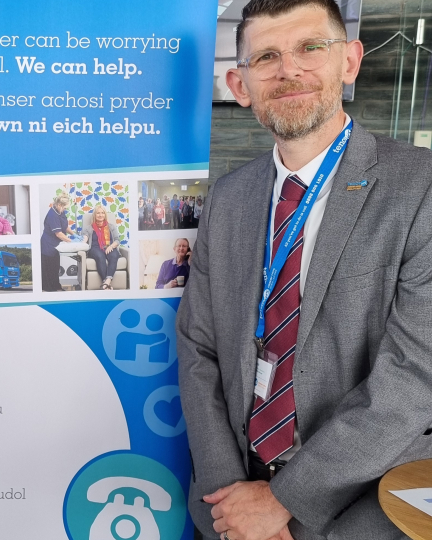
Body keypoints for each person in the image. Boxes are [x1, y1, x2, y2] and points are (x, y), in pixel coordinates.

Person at [177, 1, 432, 539]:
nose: (288, 69)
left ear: (351, 61)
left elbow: (414, 377)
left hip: (362, 507)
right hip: (229, 509)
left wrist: (283, 502)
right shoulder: (227, 196)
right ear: (240, 85)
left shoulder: (421, 187)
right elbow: (198, 349)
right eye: (266, 56)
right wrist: (231, 499)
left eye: (311, 48)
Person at [40, 194, 76, 292]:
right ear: (59, 205)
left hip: (55, 246)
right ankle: (50, 290)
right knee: (50, 269)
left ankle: (57, 287)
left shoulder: (60, 212)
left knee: (55, 268)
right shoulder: (52, 215)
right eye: (65, 207)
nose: (65, 209)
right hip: (47, 246)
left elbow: (64, 226)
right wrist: (71, 241)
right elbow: (59, 234)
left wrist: (74, 234)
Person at [85, 205, 122, 290]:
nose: (100, 215)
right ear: (95, 215)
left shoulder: (111, 227)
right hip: (94, 249)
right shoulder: (89, 228)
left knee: (114, 255)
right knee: (100, 256)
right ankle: (106, 284)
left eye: (102, 213)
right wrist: (84, 239)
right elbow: (85, 238)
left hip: (109, 247)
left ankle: (107, 282)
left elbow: (117, 240)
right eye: (98, 213)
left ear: (105, 215)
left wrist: (111, 246)